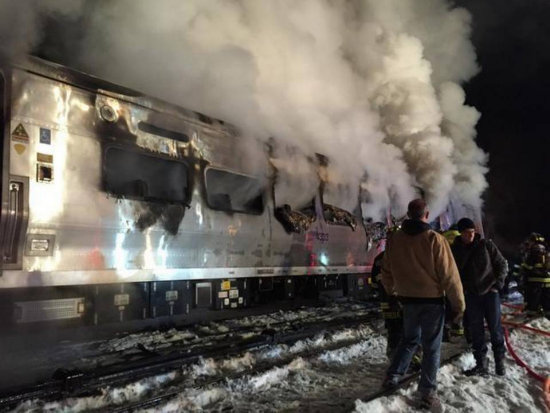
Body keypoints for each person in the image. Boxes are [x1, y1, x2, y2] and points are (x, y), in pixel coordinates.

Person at [381, 199, 465, 409]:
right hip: (432, 303)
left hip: (407, 301)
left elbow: (386, 271)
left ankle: (392, 376)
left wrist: (392, 293)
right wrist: (459, 305)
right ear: (426, 215)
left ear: (409, 214)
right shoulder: (434, 239)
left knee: (409, 339)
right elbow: (450, 276)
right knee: (431, 347)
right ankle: (427, 391)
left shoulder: (395, 239)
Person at [451, 217, 508, 376]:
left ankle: (499, 363)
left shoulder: (486, 245)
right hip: (471, 295)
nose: (469, 235)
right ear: (460, 233)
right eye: (466, 233)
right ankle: (481, 364)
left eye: (471, 232)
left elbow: (501, 264)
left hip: (490, 293)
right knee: (476, 332)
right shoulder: (455, 250)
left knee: (495, 329)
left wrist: (498, 285)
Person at [521, 242, 550, 318]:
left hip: (535, 283)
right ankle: (547, 316)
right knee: (546, 301)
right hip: (547, 283)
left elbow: (527, 268)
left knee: (533, 301)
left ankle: (531, 316)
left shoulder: (531, 256)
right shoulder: (547, 256)